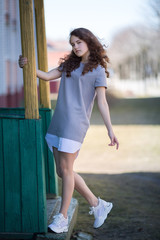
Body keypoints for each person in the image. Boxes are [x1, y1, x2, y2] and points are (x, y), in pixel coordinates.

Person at [19, 27, 119, 234]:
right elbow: (46, 76)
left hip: (75, 124)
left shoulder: (98, 70)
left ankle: (62, 217)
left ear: (88, 41)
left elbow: (102, 102)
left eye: (78, 42)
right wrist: (27, 67)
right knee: (62, 172)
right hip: (59, 121)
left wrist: (110, 129)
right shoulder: (69, 65)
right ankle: (97, 204)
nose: (75, 47)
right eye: (72, 44)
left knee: (66, 171)